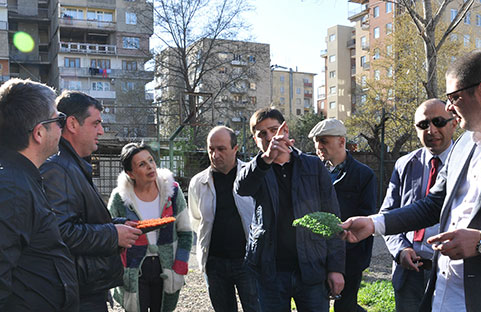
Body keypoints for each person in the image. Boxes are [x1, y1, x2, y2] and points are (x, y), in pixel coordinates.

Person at [341, 49, 481, 312]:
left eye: (454, 98)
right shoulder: (465, 144)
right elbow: (432, 204)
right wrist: (374, 224)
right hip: (441, 297)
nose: (450, 108)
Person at [41, 91, 142, 311]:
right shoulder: (57, 169)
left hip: (84, 289)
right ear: (73, 124)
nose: (101, 131)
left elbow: (79, 219)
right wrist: (112, 234)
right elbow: (59, 233)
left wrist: (115, 225)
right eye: (95, 123)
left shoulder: (73, 165)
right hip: (75, 296)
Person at [235, 107, 345, 312]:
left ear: (285, 130)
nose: (270, 137)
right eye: (262, 134)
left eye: (274, 130)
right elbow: (242, 188)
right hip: (271, 270)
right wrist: (266, 158)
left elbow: (332, 217)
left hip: (311, 267)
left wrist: (336, 268)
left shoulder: (312, 165)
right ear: (255, 139)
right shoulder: (256, 168)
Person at [0, 78, 79, 311]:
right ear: (38, 133)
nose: (61, 126)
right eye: (58, 119)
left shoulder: (20, 179)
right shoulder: (11, 188)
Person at [379, 99, 457, 312]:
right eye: (423, 125)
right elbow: (388, 213)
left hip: (451, 272)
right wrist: (401, 249)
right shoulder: (405, 164)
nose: (431, 130)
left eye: (438, 122)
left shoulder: (468, 162)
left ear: (454, 123)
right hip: (409, 274)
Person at [108, 142, 193, 312]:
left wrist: (180, 265)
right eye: (142, 164)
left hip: (166, 267)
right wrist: (120, 271)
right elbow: (109, 234)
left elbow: (185, 234)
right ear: (130, 173)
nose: (150, 167)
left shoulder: (172, 192)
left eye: (151, 160)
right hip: (134, 269)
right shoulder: (120, 198)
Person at [308, 118, 377, 312]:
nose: (319, 146)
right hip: (316, 254)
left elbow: (366, 217)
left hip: (350, 256)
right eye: (316, 141)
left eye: (324, 141)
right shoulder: (310, 172)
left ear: (341, 141)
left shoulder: (364, 175)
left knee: (345, 307)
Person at [188, 126, 259, 312]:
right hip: (215, 263)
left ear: (235, 149)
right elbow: (196, 219)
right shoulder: (198, 182)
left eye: (221, 149)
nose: (215, 154)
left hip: (248, 261)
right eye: (211, 149)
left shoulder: (252, 176)